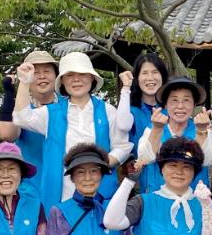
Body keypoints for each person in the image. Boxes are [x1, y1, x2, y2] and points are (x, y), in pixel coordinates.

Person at [13, 51, 131, 211]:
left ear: (92, 78)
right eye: (69, 75)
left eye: (82, 74)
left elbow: (123, 146)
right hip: (60, 195)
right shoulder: (51, 113)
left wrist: (102, 165)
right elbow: (21, 118)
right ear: (62, 81)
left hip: (100, 190)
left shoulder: (108, 111)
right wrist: (25, 82)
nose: (76, 79)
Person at [134, 76, 212, 193]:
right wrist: (157, 129)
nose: (180, 106)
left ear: (194, 104)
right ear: (165, 105)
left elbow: (206, 160)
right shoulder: (152, 128)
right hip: (158, 199)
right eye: (174, 100)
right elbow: (145, 158)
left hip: (194, 199)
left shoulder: (203, 128)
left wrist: (202, 131)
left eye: (186, 100)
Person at [0, 50, 59, 178]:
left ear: (57, 76)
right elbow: (7, 134)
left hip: (65, 186)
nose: (42, 76)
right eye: (35, 72)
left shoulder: (69, 106)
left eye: (47, 71)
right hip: (30, 189)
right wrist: (9, 94)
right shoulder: (21, 109)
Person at [115, 51, 169, 151]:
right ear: (137, 78)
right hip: (139, 165)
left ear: (163, 76)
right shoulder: (130, 110)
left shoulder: (171, 109)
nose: (150, 78)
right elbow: (122, 126)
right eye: (144, 73)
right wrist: (126, 87)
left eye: (155, 72)